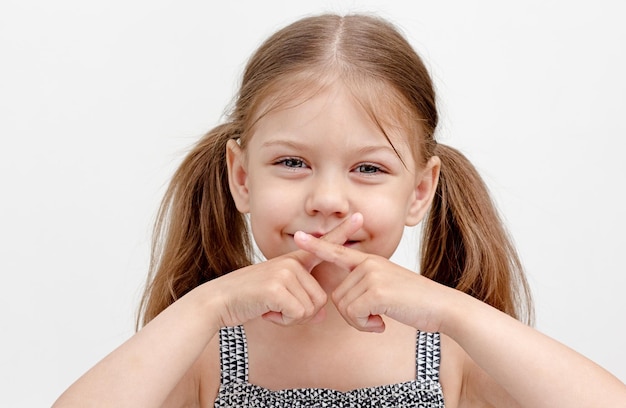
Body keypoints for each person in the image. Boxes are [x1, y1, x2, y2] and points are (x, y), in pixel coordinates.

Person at [53, 13, 626, 407]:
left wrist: (457, 312)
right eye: (292, 163)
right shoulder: (208, 347)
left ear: (420, 191)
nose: (327, 199)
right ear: (241, 177)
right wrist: (209, 304)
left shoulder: (450, 349)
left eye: (369, 169)